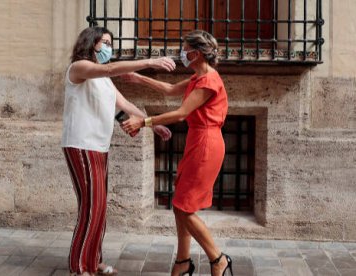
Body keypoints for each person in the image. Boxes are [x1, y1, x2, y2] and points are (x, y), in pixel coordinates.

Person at [61, 26, 175, 276]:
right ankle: (79, 268)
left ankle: (94, 261)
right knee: (91, 207)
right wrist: (151, 61)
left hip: (99, 146)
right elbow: (110, 67)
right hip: (81, 144)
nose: (109, 48)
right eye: (105, 42)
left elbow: (123, 105)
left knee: (99, 207)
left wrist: (151, 124)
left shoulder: (104, 80)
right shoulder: (79, 68)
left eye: (111, 42)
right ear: (92, 44)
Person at [120, 30, 233, 276]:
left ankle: (218, 259)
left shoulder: (209, 81)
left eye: (185, 49)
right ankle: (183, 262)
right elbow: (170, 89)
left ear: (196, 53)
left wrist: (144, 122)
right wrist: (139, 79)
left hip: (206, 142)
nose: (182, 53)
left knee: (184, 207)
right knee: (180, 203)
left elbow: (181, 113)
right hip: (198, 140)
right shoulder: (198, 77)